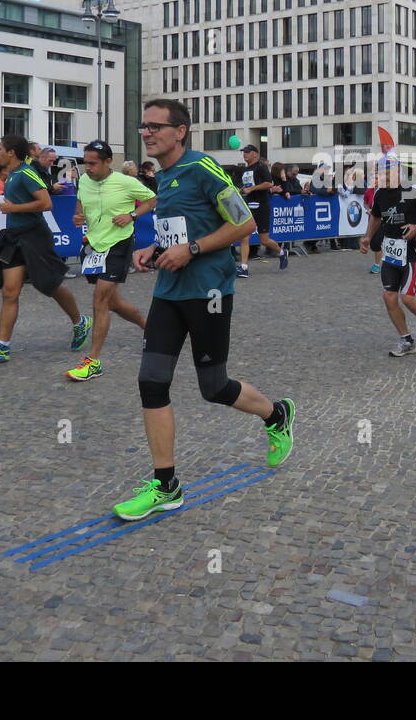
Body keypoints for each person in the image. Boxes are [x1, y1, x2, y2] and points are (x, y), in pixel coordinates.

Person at [114, 99, 294, 521]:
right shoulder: (165, 176)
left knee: (213, 387)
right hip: (169, 292)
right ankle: (166, 485)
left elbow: (244, 223)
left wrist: (191, 250)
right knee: (151, 382)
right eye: (144, 126)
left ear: (180, 131)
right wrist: (155, 249)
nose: (147, 133)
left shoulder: (202, 168)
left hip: (209, 291)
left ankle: (276, 414)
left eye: (156, 126)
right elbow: (182, 230)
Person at [0, 135, 91, 363]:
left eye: (0, 149)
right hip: (15, 237)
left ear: (11, 153)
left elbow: (46, 203)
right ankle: (2, 345)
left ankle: (80, 321)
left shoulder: (26, 173)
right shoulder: (12, 174)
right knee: (10, 291)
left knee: (50, 285)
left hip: (35, 235)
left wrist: (14, 208)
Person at [66, 140, 157, 382]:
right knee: (113, 303)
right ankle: (150, 329)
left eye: (93, 163)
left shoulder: (126, 182)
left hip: (119, 243)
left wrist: (132, 215)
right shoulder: (84, 180)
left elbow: (153, 199)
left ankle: (93, 361)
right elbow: (80, 203)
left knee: (100, 300)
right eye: (86, 163)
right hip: (94, 245)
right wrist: (78, 215)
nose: (88, 168)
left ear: (108, 162)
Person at [361, 162, 416, 356]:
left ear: (399, 174)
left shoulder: (414, 190)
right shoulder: (380, 193)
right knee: (389, 297)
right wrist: (367, 237)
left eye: (388, 175)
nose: (384, 178)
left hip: (413, 249)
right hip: (390, 251)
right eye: (382, 175)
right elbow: (375, 217)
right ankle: (406, 340)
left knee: (407, 298)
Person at [236, 143, 287, 275]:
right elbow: (246, 185)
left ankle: (282, 252)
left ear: (255, 154)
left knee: (264, 240)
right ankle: (244, 268)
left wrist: (251, 189)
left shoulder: (261, 166)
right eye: (243, 152)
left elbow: (269, 183)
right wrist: (242, 189)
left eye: (247, 152)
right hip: (248, 205)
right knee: (244, 237)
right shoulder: (245, 170)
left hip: (262, 205)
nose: (244, 154)